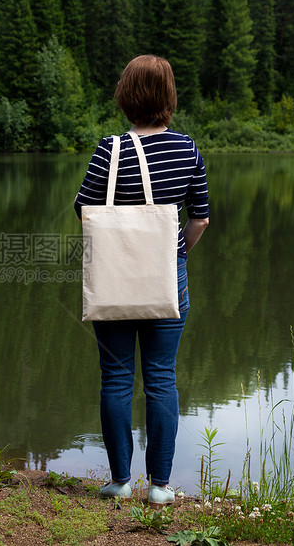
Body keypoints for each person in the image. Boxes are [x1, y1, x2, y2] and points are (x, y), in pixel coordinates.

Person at [74, 55, 209, 507]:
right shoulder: (187, 148)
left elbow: (83, 210)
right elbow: (201, 219)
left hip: (113, 278)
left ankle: (120, 481)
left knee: (115, 377)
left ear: (126, 95)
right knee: (161, 378)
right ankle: (161, 487)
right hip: (168, 277)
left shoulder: (107, 150)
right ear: (168, 97)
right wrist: (174, 253)